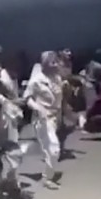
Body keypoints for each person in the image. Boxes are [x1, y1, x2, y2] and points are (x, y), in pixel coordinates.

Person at [24, 51, 63, 190]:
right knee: (53, 148)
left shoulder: (57, 79)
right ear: (45, 64)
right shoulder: (36, 80)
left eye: (56, 61)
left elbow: (59, 101)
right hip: (42, 119)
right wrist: (38, 108)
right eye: (53, 62)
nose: (56, 64)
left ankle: (47, 174)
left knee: (49, 148)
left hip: (54, 118)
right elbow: (27, 98)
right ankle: (47, 178)